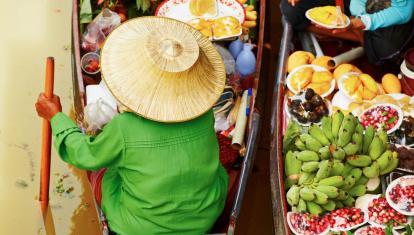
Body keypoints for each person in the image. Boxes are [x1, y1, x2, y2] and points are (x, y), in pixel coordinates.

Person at [35, 17, 228, 234]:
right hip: (205, 216)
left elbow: (83, 155)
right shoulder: (203, 113)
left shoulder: (125, 127)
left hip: (139, 227)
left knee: (99, 168)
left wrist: (56, 118)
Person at [280, 0, 414, 65]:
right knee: (292, 10)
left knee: (385, 51)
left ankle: (358, 36)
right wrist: (355, 14)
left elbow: (403, 11)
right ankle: (357, 36)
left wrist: (362, 22)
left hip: (393, 7)